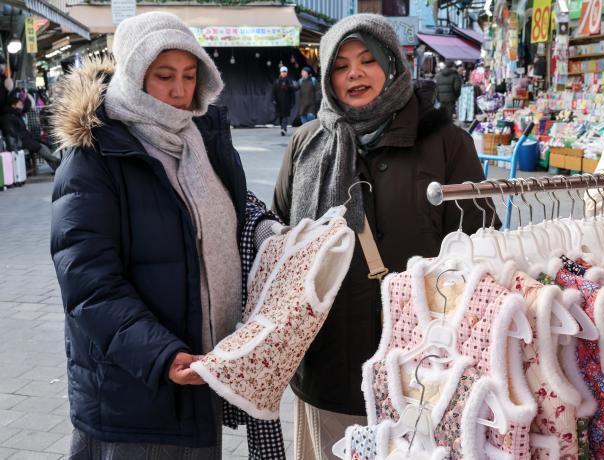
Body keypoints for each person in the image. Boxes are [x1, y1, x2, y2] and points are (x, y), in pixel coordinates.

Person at [49, 12, 286, 460]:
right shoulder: (95, 156)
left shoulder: (202, 139)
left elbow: (232, 208)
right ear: (135, 75)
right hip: (136, 389)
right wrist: (160, 355)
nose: (180, 92)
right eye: (163, 76)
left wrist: (267, 229)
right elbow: (87, 280)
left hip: (201, 377)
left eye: (189, 75)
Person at [272, 14, 493, 460]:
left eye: (368, 60)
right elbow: (281, 243)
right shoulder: (306, 144)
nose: (354, 73)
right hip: (326, 366)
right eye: (341, 64)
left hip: (420, 376)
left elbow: (480, 250)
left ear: (393, 65)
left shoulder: (445, 143)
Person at [0, 92, 60, 172]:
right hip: (20, 141)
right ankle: (57, 162)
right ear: (13, 105)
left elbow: (26, 107)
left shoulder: (16, 113)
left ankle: (57, 168)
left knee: (44, 147)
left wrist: (26, 95)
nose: (21, 106)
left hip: (26, 138)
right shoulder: (7, 117)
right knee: (41, 148)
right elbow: (11, 132)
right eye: (19, 104)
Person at [272, 66, 297, 135]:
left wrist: (292, 102)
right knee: (280, 116)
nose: (284, 73)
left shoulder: (289, 81)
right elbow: (273, 92)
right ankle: (283, 128)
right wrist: (273, 100)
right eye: (282, 72)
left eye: (285, 72)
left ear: (287, 73)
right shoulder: (277, 81)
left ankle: (283, 128)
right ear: (280, 73)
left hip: (287, 102)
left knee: (285, 116)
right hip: (279, 102)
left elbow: (292, 92)